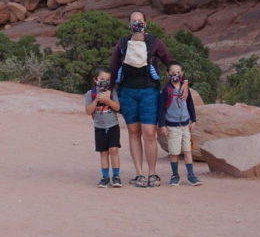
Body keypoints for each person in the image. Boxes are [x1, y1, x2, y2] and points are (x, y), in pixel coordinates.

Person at [109, 10, 175, 187]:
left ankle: (152, 174)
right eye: (134, 21)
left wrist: (181, 82)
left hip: (149, 92)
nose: (137, 23)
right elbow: (113, 68)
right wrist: (109, 90)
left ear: (146, 23)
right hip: (128, 92)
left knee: (149, 132)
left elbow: (170, 62)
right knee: (133, 132)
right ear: (129, 25)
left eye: (140, 21)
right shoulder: (123, 43)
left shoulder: (155, 43)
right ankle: (139, 174)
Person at [158, 63, 200, 186]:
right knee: (174, 152)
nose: (175, 75)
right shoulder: (166, 90)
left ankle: (191, 175)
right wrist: (162, 125)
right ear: (167, 74)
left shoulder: (184, 88)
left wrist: (194, 120)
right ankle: (175, 175)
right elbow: (161, 109)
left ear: (182, 74)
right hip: (172, 126)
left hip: (185, 125)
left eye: (178, 72)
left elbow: (190, 104)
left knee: (187, 150)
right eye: (172, 73)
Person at [84, 66, 122, 187]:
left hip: (113, 125)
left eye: (107, 80)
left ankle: (116, 176)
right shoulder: (90, 94)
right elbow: (88, 111)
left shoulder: (112, 92)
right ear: (96, 79)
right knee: (104, 152)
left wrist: (107, 101)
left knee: (114, 150)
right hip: (99, 127)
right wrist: (96, 101)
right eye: (102, 79)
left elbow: (117, 107)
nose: (105, 82)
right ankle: (105, 177)